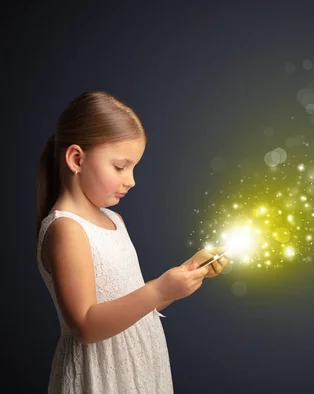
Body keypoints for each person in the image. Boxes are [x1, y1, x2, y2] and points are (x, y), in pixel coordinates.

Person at [35, 91, 228, 393]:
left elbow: (133, 303)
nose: (131, 180)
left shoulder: (115, 221)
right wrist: (160, 288)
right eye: (120, 166)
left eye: (133, 167)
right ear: (76, 159)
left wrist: (184, 274)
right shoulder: (67, 229)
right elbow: (86, 326)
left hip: (141, 367)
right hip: (101, 377)